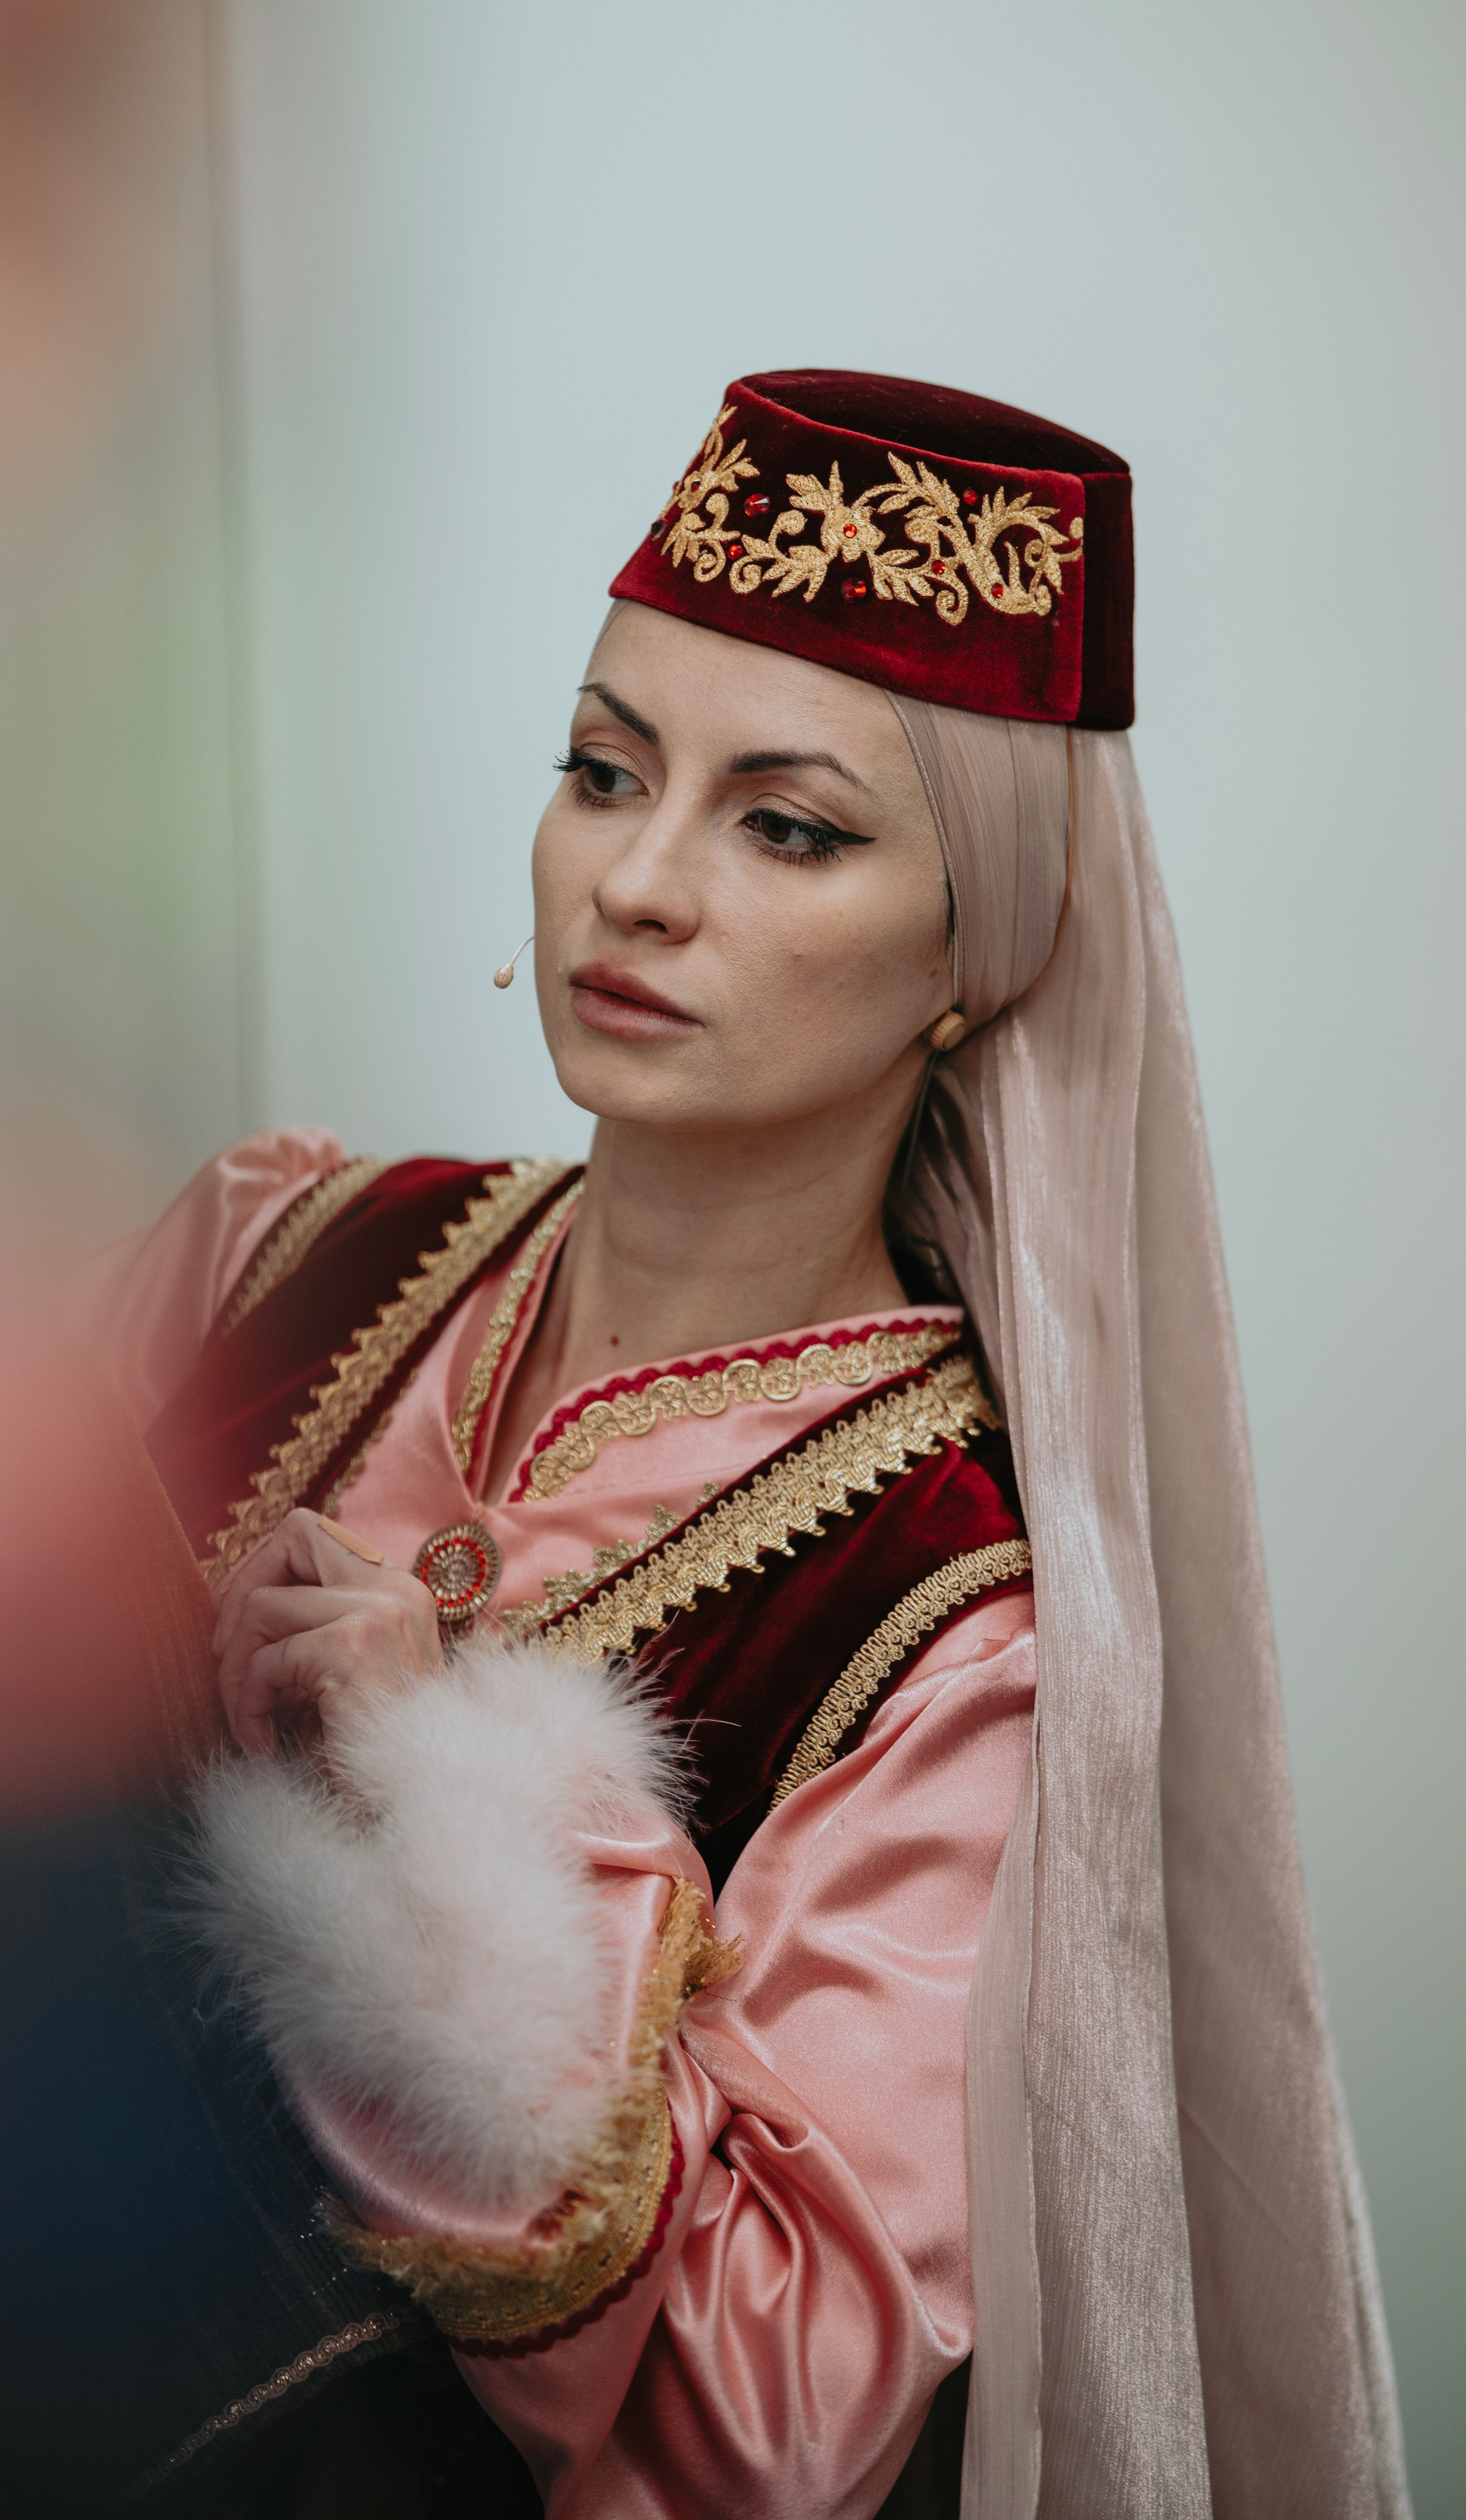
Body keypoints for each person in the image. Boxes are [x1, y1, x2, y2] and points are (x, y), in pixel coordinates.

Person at [91, 371, 1408, 2519]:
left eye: (786, 827)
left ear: (977, 952)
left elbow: (772, 2428)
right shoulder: (271, 1257)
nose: (639, 883)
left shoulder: (953, 1624)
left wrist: (470, 1845)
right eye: (605, 775)